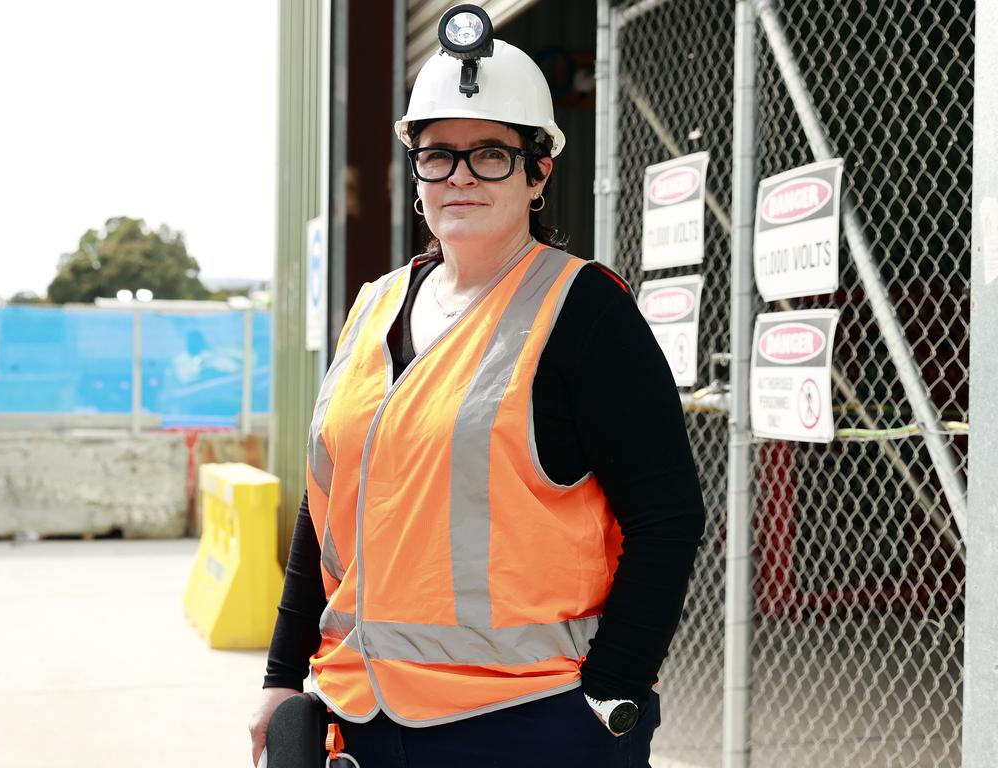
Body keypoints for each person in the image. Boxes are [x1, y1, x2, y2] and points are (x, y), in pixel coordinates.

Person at [250, 8, 704, 767]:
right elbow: (323, 509)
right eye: (438, 156)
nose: (459, 176)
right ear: (415, 171)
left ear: (538, 172)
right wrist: (279, 674)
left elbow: (669, 516)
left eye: (490, 154)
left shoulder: (584, 310)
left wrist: (612, 691)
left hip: (528, 718)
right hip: (361, 713)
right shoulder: (372, 306)